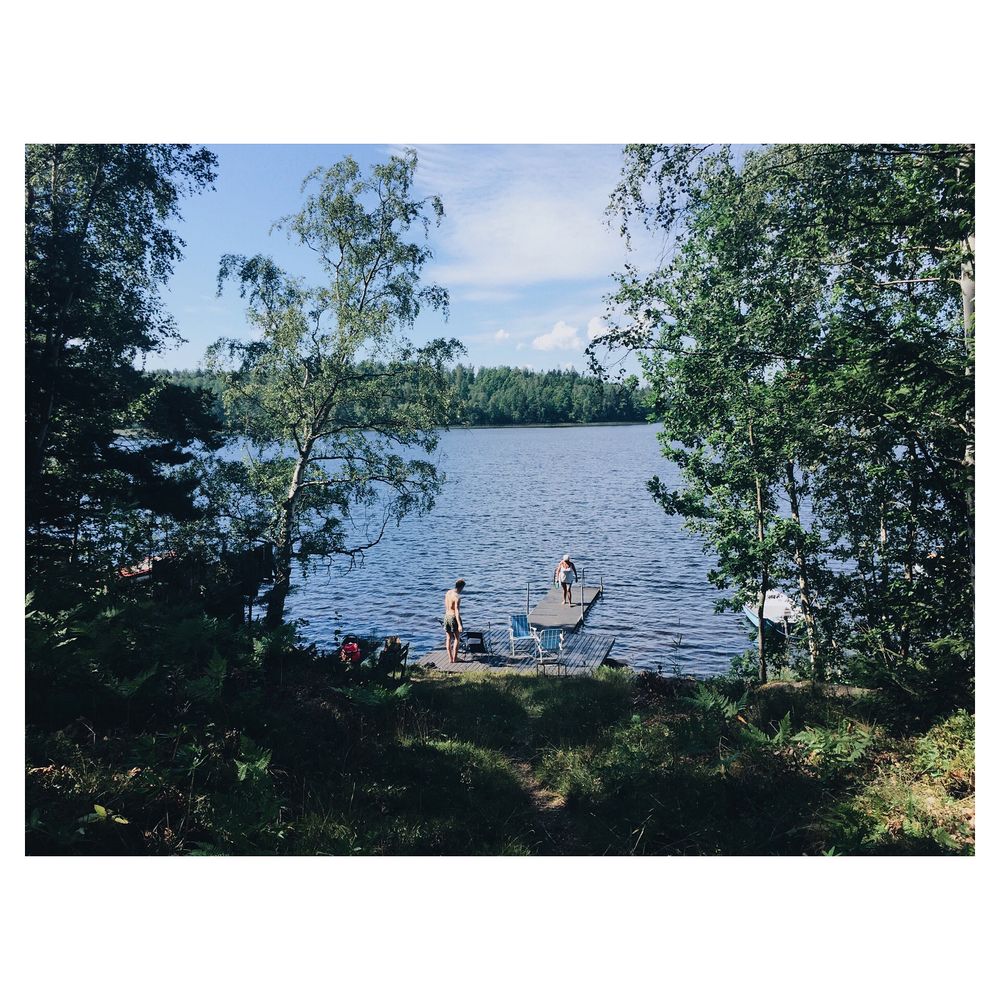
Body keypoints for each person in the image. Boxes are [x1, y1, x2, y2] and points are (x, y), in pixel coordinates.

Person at [443, 579, 466, 663]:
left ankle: (450, 658)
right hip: (453, 617)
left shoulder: (448, 593)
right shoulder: (457, 597)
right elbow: (457, 611)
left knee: (448, 638)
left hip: (446, 616)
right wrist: (459, 624)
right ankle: (455, 658)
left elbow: (446, 605)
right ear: (461, 587)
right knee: (457, 638)